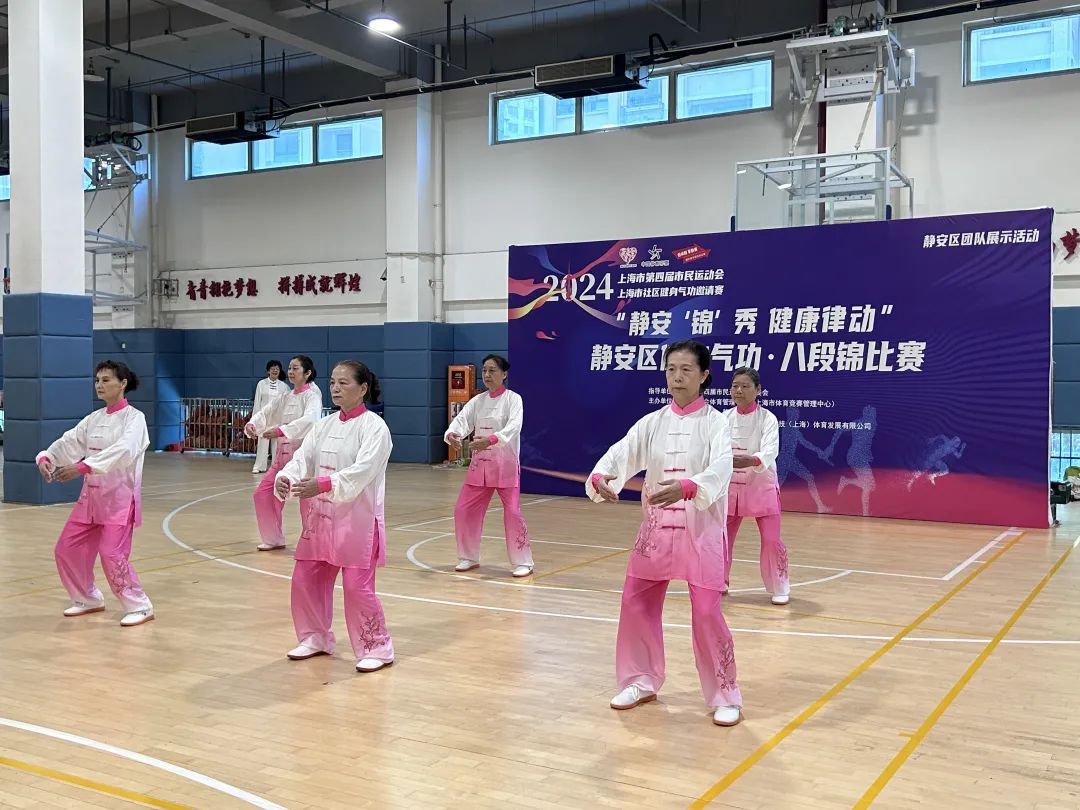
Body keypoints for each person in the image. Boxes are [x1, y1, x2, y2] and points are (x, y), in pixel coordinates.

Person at [586, 340, 742, 727]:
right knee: (636, 603)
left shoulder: (717, 423)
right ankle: (640, 680)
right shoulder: (653, 422)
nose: (677, 377)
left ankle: (725, 694)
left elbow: (722, 468)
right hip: (655, 531)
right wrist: (603, 476)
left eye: (686, 369)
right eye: (671, 369)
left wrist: (688, 487)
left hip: (701, 532)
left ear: (704, 375)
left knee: (706, 613)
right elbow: (623, 452)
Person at [275, 361, 395, 672]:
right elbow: (302, 459)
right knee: (306, 579)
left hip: (357, 522)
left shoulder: (375, 428)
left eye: (344, 383)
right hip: (319, 518)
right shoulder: (323, 425)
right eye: (332, 382)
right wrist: (287, 477)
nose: (336, 388)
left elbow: (363, 470)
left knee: (357, 587)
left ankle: (376, 647)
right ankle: (315, 637)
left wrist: (324, 484)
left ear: (363, 388)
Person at [35, 360, 155, 627]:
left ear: (123, 384)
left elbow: (123, 451)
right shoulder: (94, 418)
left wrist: (82, 467)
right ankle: (87, 598)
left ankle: (139, 605)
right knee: (67, 548)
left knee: (112, 554)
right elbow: (69, 442)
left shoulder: (135, 419)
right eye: (97, 380)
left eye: (106, 380)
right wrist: (47, 458)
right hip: (90, 499)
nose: (99, 385)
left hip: (119, 500)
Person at [443, 354, 533, 577]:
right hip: (479, 467)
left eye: (492, 370)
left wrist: (490, 440)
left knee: (512, 513)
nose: (487, 374)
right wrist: (454, 434)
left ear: (504, 374)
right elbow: (462, 420)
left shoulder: (513, 399)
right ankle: (468, 556)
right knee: (463, 509)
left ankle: (523, 561)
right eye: (484, 370)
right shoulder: (478, 401)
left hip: (505, 466)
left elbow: (514, 427)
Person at [723, 367, 790, 605]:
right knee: (721, 538)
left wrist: (753, 460)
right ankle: (719, 581)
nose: (739, 391)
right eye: (735, 386)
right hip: (729, 488)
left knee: (771, 540)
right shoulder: (723, 418)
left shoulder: (767, 418)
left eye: (745, 386)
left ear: (758, 390)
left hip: (761, 486)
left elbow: (771, 450)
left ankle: (779, 586)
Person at [244, 355, 322, 551]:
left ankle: (313, 544)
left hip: (304, 458)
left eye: (296, 368)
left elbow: (311, 420)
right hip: (282, 457)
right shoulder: (285, 396)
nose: (291, 371)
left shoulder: (312, 396)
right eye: (290, 368)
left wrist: (281, 430)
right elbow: (267, 411)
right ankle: (273, 538)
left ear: (307, 373)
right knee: (263, 494)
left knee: (307, 501)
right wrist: (253, 424)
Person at [251, 360, 287, 474]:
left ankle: (275, 467)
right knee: (262, 441)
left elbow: (286, 404)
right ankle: (259, 466)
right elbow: (257, 402)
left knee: (276, 443)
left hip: (277, 418)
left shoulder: (284, 387)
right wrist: (254, 420)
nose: (275, 370)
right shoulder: (261, 384)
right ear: (268, 371)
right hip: (264, 418)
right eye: (272, 368)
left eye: (277, 369)